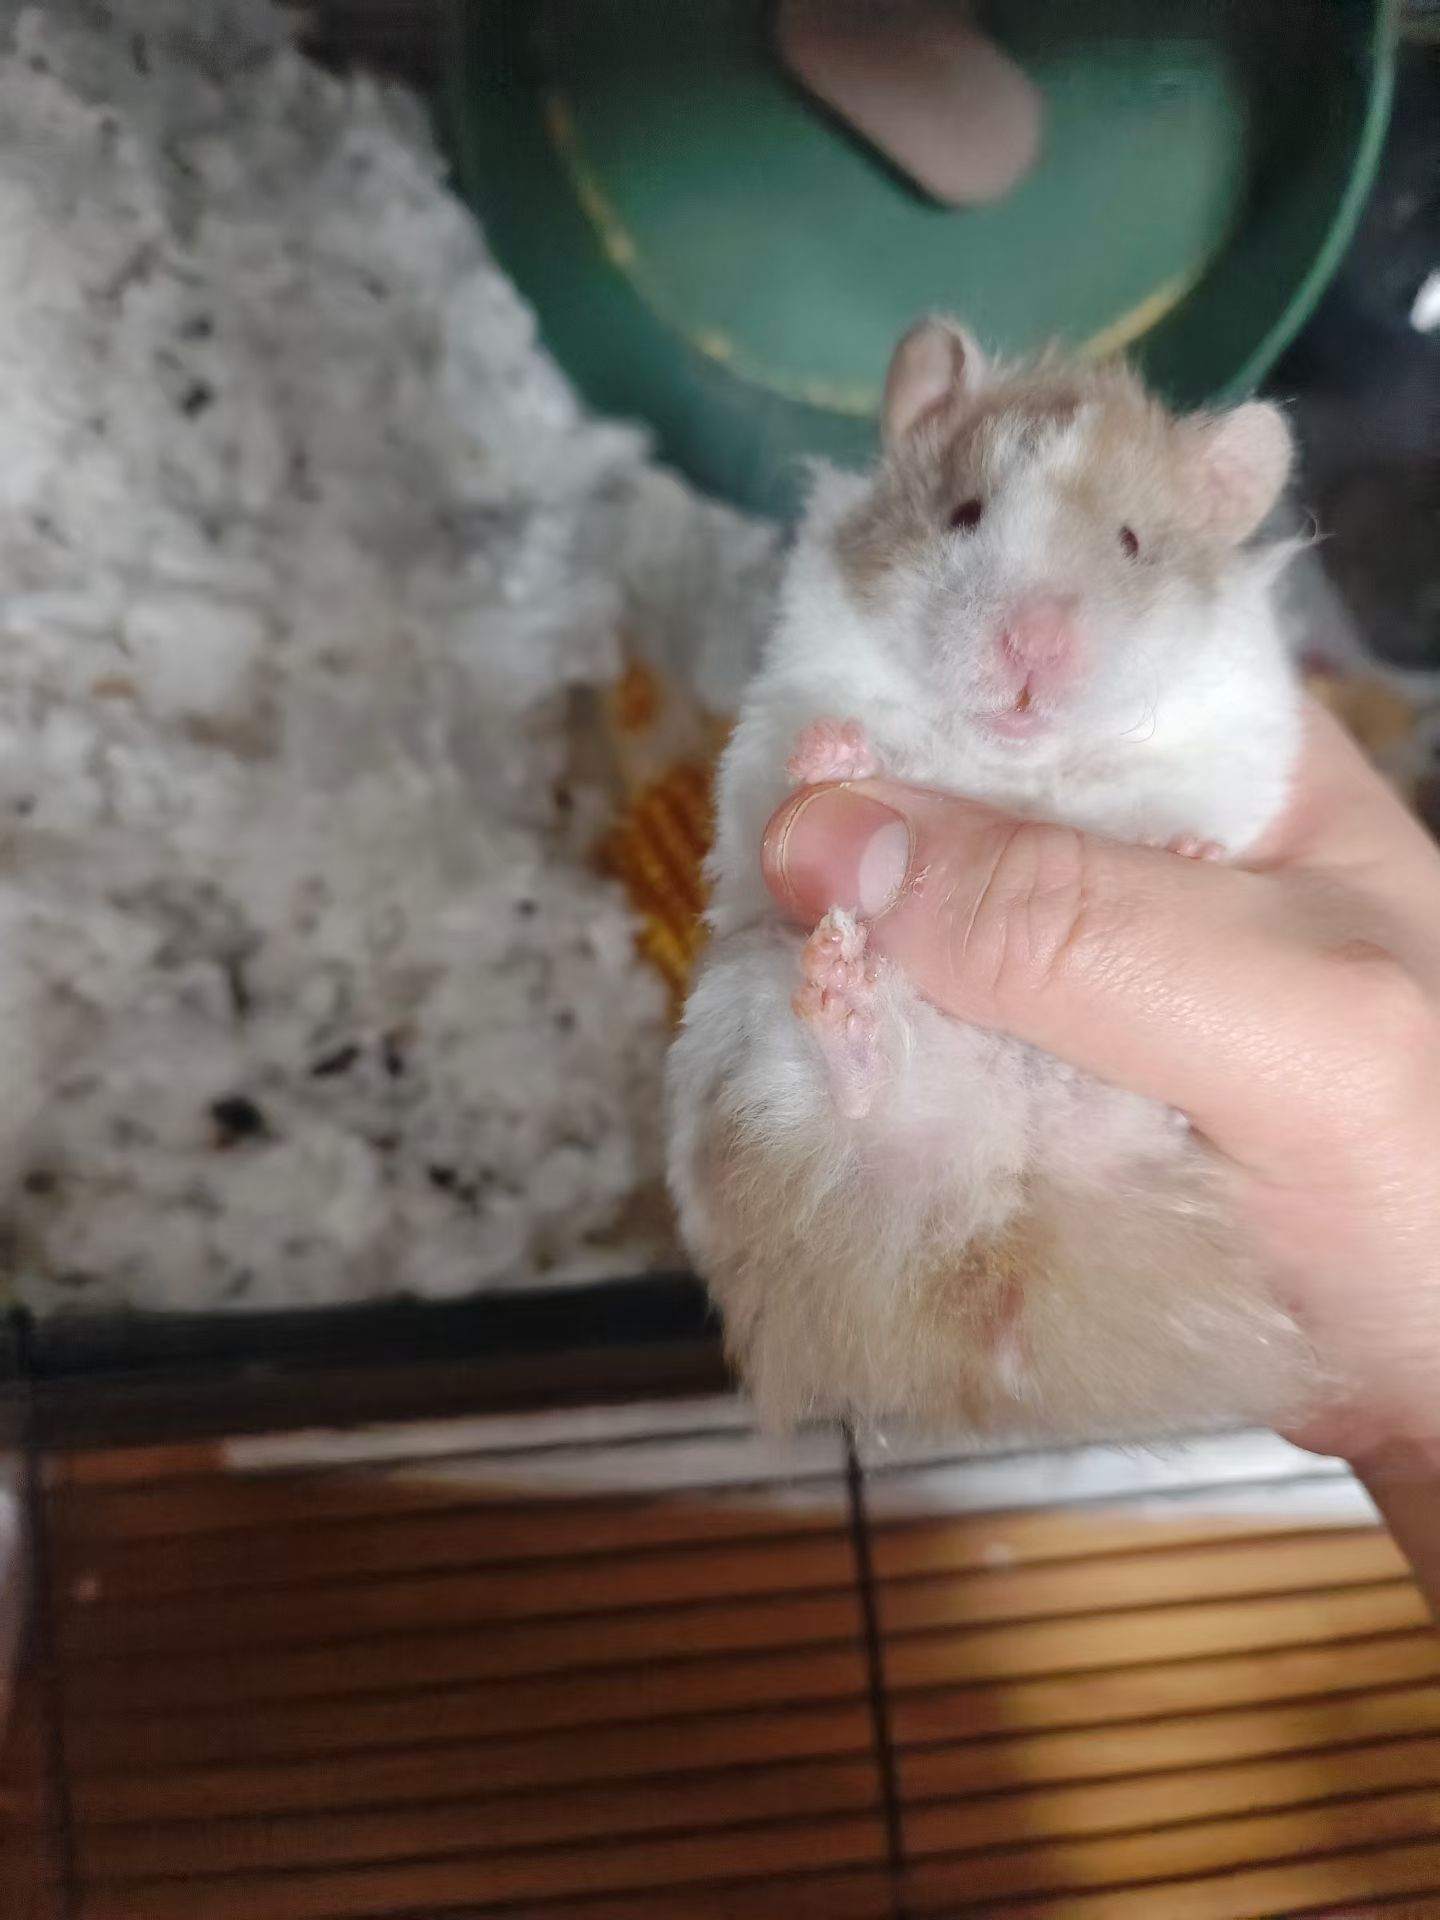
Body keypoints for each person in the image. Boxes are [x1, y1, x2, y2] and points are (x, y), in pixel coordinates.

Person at [761, 699, 1440, 1608]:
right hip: (1040, 1121)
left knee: (955, 1123)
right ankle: (864, 1070)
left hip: (1036, 1122)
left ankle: (862, 1071)